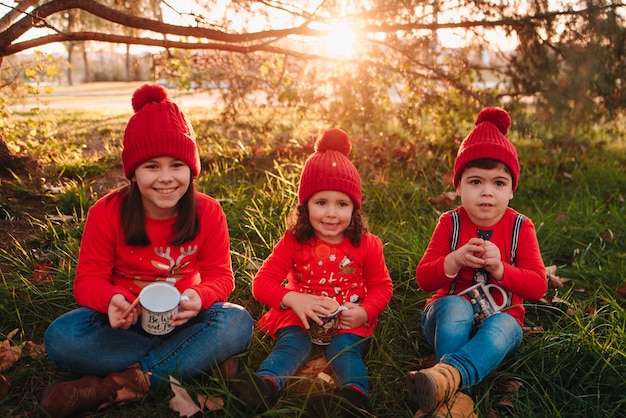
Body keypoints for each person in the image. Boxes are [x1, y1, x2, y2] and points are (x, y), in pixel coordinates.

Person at [42, 84, 253, 418]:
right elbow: (87, 280)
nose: (166, 178)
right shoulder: (107, 212)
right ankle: (191, 359)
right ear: (134, 173)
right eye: (152, 166)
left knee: (236, 321)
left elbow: (220, 276)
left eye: (177, 165)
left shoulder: (208, 212)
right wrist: (110, 300)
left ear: (191, 168)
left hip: (184, 319)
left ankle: (120, 384)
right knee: (61, 337)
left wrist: (199, 297)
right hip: (124, 327)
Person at [231, 128, 394, 417]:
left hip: (346, 316)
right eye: (321, 203)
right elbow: (262, 284)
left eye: (341, 204)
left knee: (345, 351)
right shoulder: (295, 241)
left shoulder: (367, 245)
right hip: (302, 316)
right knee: (290, 345)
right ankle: (265, 385)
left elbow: (382, 286)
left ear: (354, 208)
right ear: (305, 206)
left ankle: (353, 397)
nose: (331, 213)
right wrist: (294, 299)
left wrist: (366, 311)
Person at [406, 107, 547, 417]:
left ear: (512, 190)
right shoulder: (450, 223)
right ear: (458, 186)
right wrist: (454, 261)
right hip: (444, 321)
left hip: (499, 325)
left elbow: (537, 286)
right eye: (475, 182)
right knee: (457, 306)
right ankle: (459, 393)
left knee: (505, 325)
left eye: (498, 183)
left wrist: (501, 269)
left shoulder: (521, 227)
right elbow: (423, 279)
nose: (487, 192)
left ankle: (445, 383)